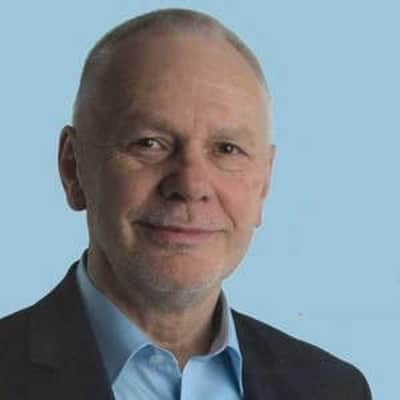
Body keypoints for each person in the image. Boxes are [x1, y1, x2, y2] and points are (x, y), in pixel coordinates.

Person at [0, 8, 372, 400]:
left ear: (264, 183)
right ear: (72, 168)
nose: (191, 186)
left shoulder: (334, 389)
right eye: (150, 143)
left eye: (227, 149)